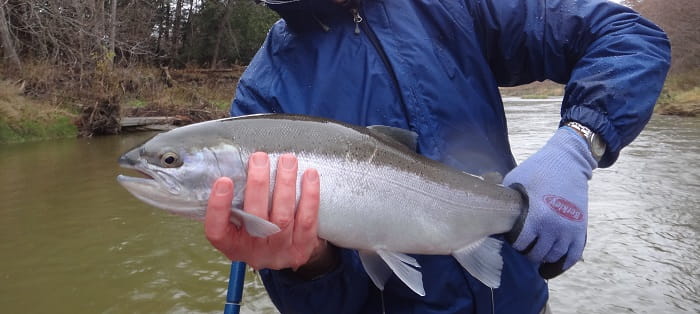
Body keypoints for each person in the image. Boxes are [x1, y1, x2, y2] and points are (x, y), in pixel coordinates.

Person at [203, 0, 671, 313]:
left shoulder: (453, 5)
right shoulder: (261, 95)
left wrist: (578, 144)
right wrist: (309, 265)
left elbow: (628, 37)